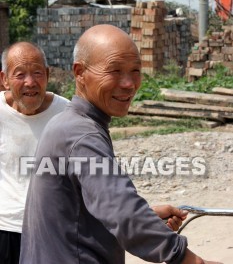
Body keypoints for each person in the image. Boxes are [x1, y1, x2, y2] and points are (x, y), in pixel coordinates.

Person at [20, 25, 221, 264]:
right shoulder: (81, 134)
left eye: (135, 70)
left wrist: (148, 217)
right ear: (80, 72)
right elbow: (124, 213)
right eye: (114, 71)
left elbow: (86, 211)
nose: (128, 83)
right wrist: (190, 260)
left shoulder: (69, 123)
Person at [0, 41, 70, 264]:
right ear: (4, 79)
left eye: (37, 73)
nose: (30, 82)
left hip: (51, 230)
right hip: (4, 230)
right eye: (20, 74)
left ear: (47, 75)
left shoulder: (67, 114)